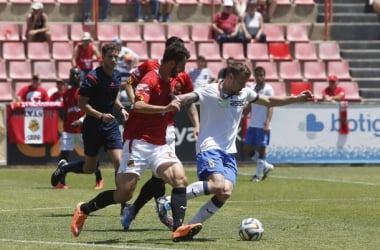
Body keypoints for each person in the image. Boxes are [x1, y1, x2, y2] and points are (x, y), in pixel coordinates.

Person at [158, 62, 314, 237]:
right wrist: (178, 99)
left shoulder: (244, 93)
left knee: (225, 191)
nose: (243, 86)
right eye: (241, 82)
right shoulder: (210, 90)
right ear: (230, 77)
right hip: (209, 147)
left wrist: (296, 98)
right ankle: (168, 201)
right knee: (217, 184)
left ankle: (188, 228)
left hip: (229, 152)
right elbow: (191, 97)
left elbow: (269, 101)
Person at [69, 43, 202, 242]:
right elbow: (138, 105)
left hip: (159, 144)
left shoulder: (174, 80)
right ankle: (84, 209)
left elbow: (185, 100)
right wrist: (166, 107)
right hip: (137, 143)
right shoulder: (150, 78)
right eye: (182, 64)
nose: (184, 69)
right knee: (124, 194)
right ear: (173, 63)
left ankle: (178, 228)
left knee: (180, 180)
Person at [120, 37, 200, 231]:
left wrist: (196, 124)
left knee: (164, 176)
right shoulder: (150, 67)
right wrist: (133, 104)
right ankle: (159, 207)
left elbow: (187, 101)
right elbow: (129, 82)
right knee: (163, 177)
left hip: (168, 130)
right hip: (144, 129)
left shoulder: (182, 76)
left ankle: (140, 209)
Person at [51, 43, 127, 197]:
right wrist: (100, 116)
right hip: (93, 125)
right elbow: (82, 104)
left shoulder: (117, 75)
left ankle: (123, 201)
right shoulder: (92, 77)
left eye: (116, 57)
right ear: (102, 58)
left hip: (110, 125)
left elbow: (113, 97)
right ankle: (65, 168)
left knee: (119, 162)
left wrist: (122, 108)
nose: (113, 60)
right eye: (110, 57)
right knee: (89, 168)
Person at [52, 67, 104, 190]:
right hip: (68, 130)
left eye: (77, 74)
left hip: (82, 130)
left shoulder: (84, 91)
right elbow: (62, 111)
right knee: (64, 155)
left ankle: (99, 179)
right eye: (73, 74)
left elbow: (90, 110)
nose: (75, 76)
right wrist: (66, 121)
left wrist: (81, 121)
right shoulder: (66, 94)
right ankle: (62, 182)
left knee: (90, 155)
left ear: (80, 76)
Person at [242, 66, 274, 182]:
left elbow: (270, 106)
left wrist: (267, 123)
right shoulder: (252, 89)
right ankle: (266, 166)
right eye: (257, 75)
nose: (259, 77)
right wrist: (243, 115)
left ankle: (257, 175)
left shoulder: (268, 89)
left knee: (261, 149)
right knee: (246, 149)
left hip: (262, 124)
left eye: (261, 75)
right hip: (253, 124)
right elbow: (249, 105)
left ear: (264, 75)